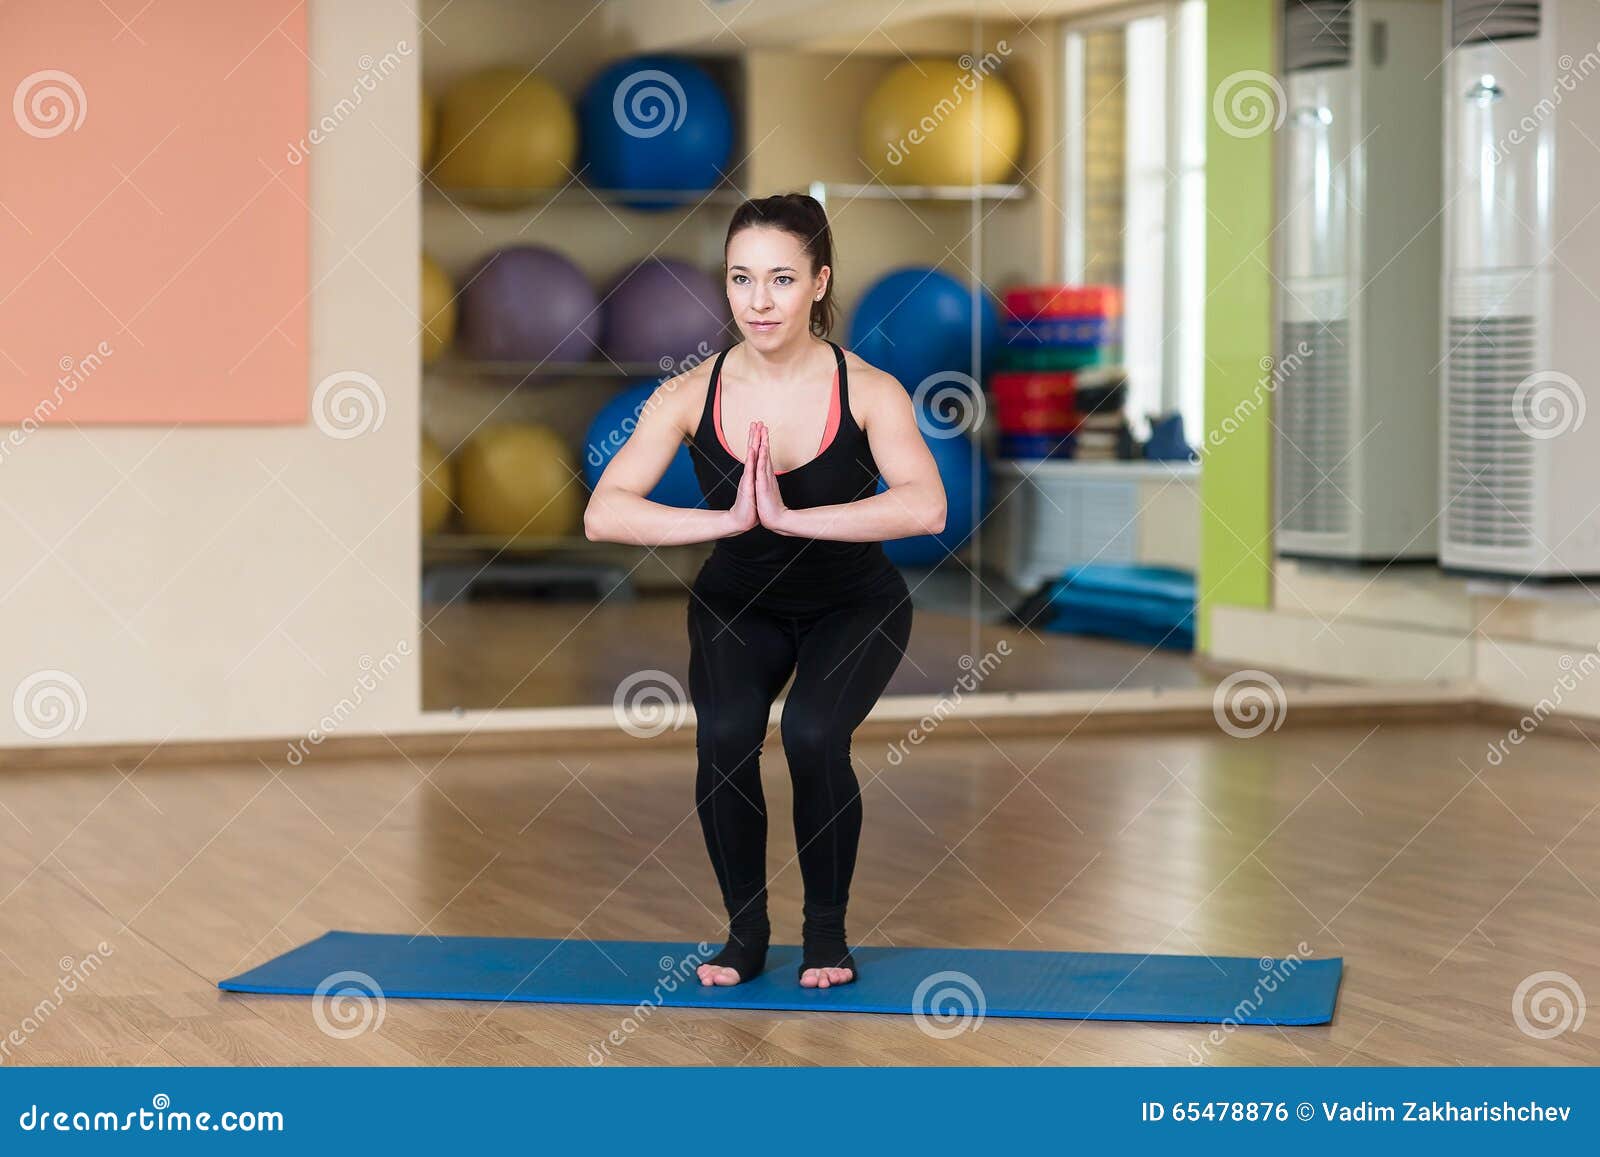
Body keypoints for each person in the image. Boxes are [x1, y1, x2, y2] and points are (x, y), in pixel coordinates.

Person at [584, 192, 947, 989]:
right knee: (724, 747)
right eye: (741, 279)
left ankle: (826, 937)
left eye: (780, 279)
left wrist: (794, 516)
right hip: (736, 602)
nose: (759, 300)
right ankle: (745, 934)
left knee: (814, 736)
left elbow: (927, 504)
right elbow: (604, 512)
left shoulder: (870, 389)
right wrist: (731, 522)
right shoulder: (689, 393)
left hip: (855, 604)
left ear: (819, 282)